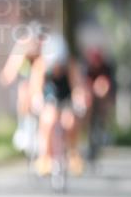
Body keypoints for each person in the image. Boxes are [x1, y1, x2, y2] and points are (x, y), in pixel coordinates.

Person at [30, 33, 88, 177]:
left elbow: (77, 86)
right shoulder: (41, 65)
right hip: (49, 98)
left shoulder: (70, 65)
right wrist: (37, 100)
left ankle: (73, 153)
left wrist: (79, 99)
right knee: (48, 120)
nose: (57, 68)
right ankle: (45, 157)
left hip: (65, 97)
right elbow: (36, 87)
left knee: (70, 121)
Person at [0, 23, 44, 153]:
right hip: (26, 84)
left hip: (42, 84)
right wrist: (9, 74)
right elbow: (8, 72)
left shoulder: (45, 52)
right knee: (23, 90)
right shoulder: (22, 48)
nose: (35, 46)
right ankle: (23, 128)